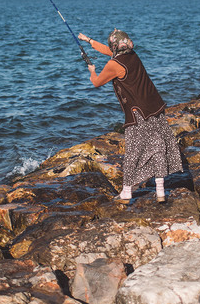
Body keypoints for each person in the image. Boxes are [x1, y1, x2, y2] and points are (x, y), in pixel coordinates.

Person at [78, 29, 182, 204]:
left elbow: (96, 82)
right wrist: (89, 40)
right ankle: (160, 191)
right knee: (157, 147)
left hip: (137, 113)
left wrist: (92, 70)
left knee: (133, 152)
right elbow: (108, 50)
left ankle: (126, 192)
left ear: (115, 46)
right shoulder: (131, 54)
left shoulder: (113, 65)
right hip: (154, 107)